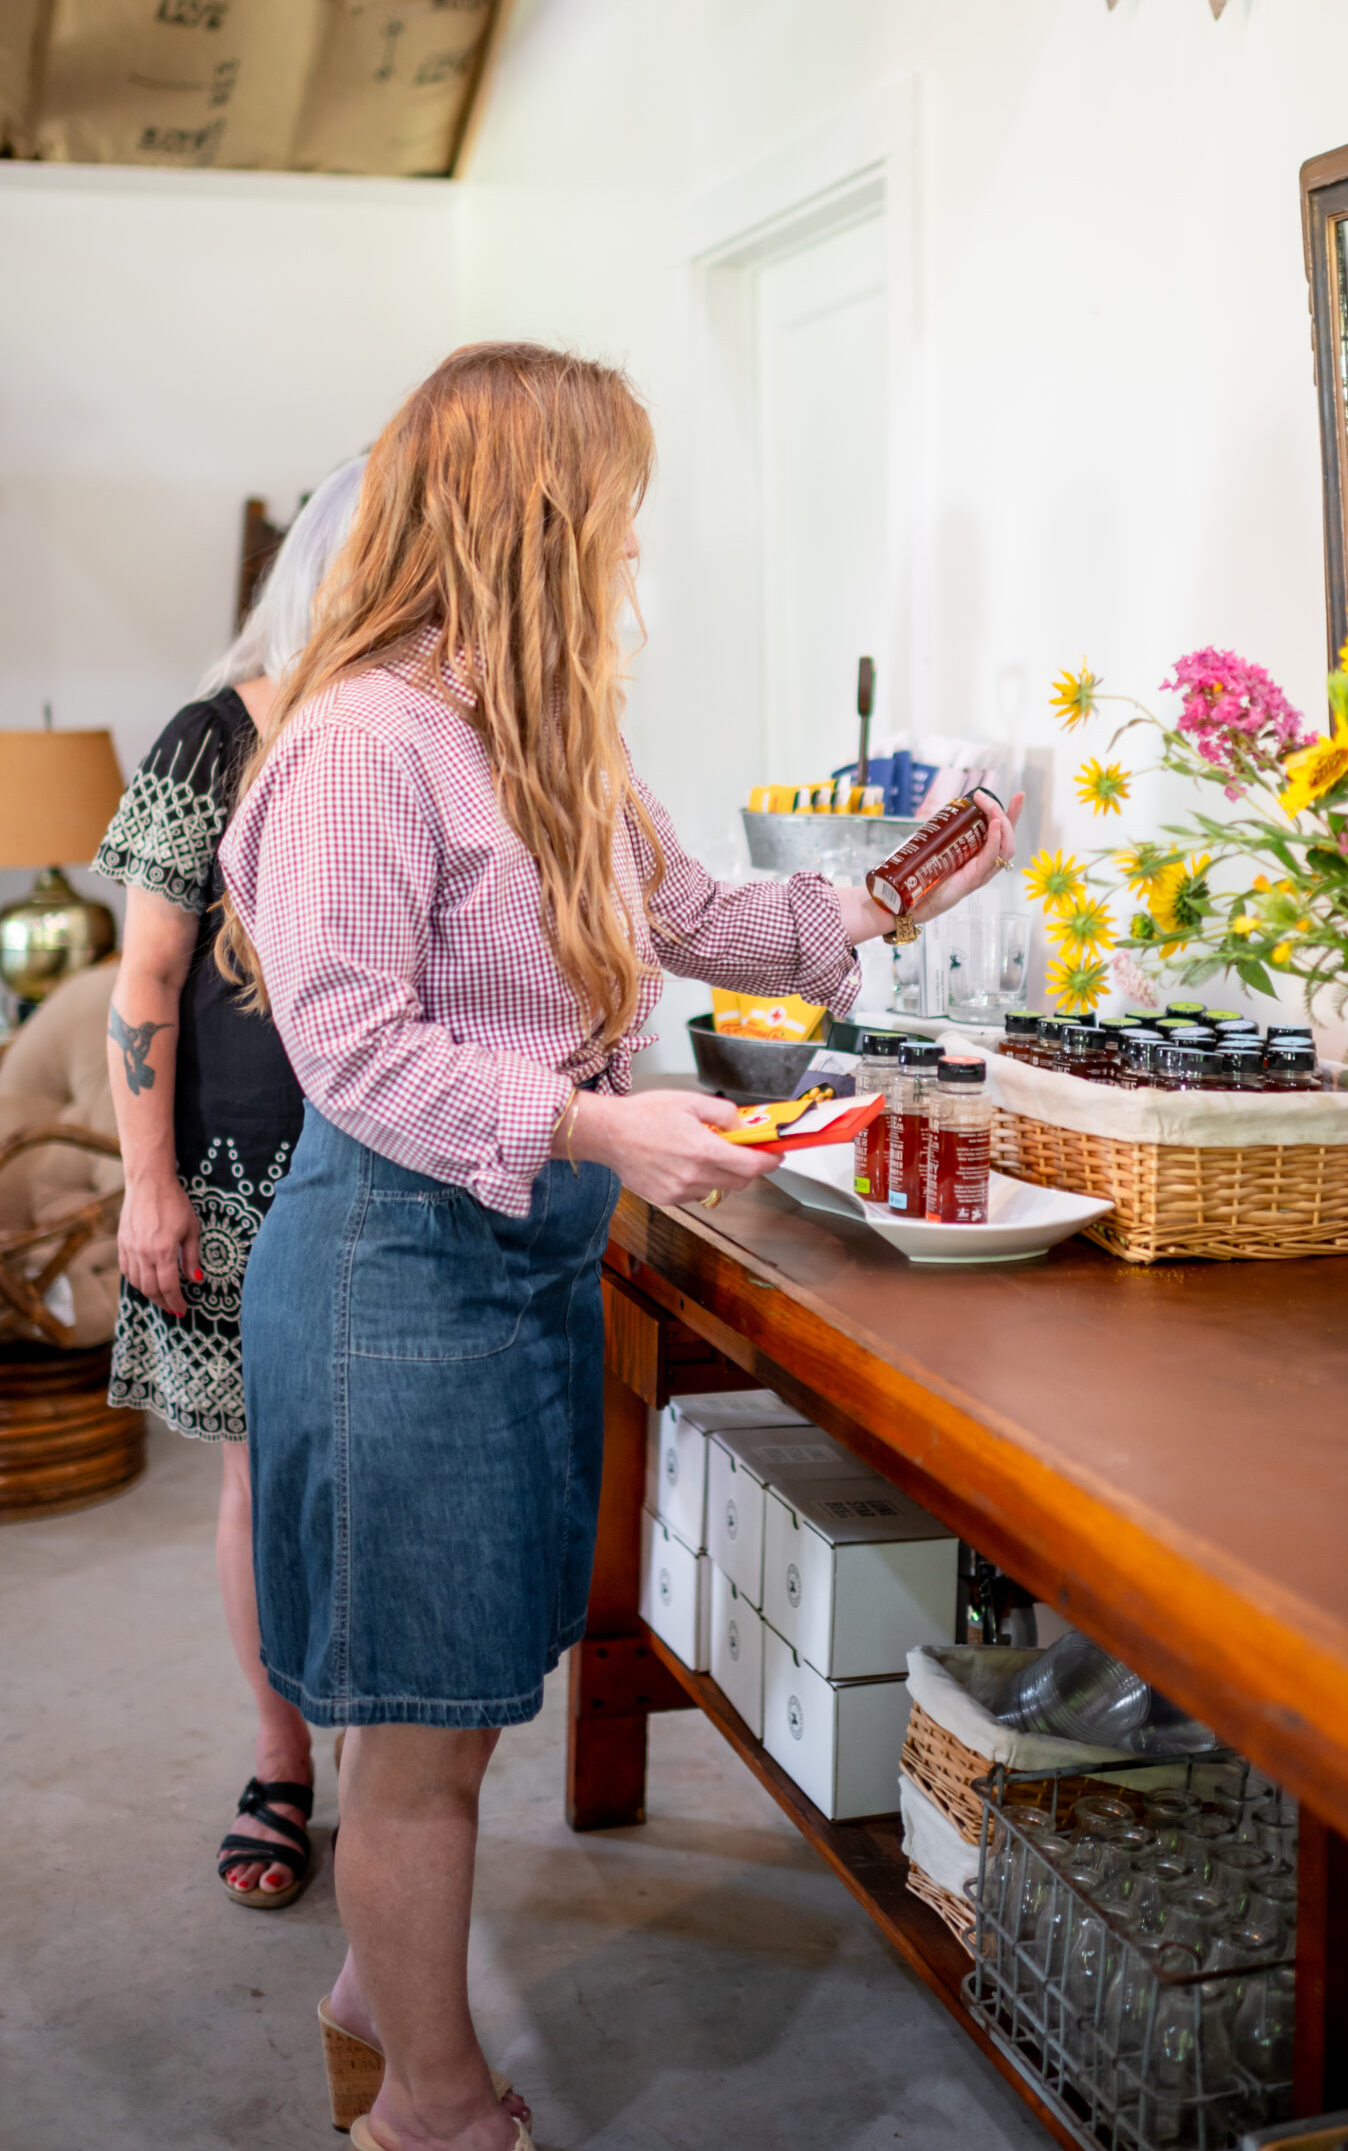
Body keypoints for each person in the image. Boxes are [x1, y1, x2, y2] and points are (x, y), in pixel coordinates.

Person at [216, 343, 1021, 2151]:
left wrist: (891, 890)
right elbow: (350, 1044)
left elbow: (695, 912)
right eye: (617, 507)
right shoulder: (364, 742)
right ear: (532, 514)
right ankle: (428, 2105)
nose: (633, 546)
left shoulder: (543, 731)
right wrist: (595, 1120)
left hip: (510, 1263)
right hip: (391, 1273)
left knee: (472, 1687)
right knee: (414, 1739)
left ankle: (373, 1996)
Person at [96, 458, 367, 1907]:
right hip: (234, 1180)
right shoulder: (216, 734)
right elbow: (141, 974)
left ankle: (394, 1769)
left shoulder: (418, 729)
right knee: (262, 1483)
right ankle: (280, 1761)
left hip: (397, 1167)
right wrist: (152, 1192)